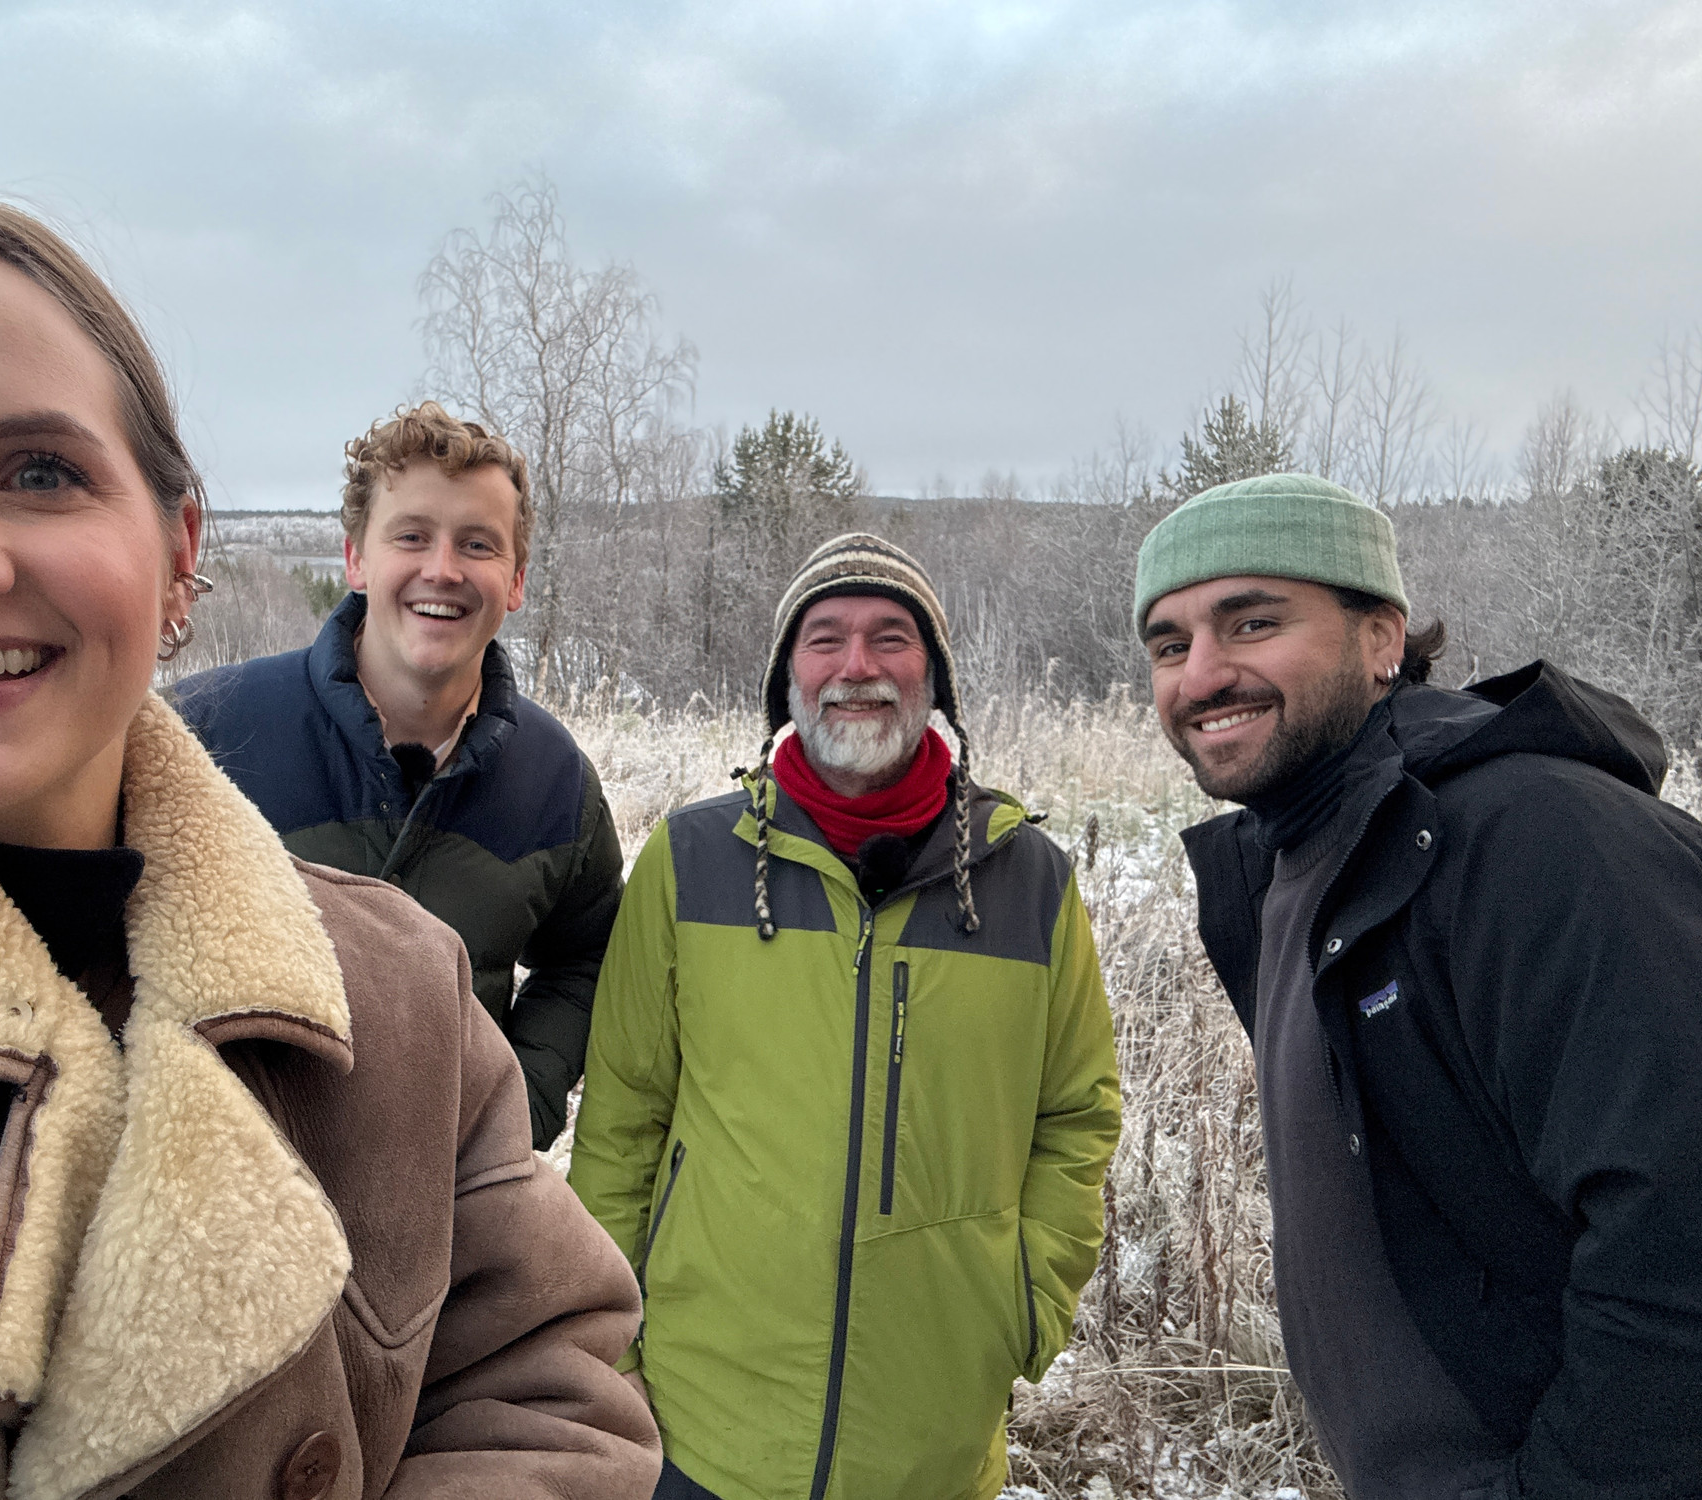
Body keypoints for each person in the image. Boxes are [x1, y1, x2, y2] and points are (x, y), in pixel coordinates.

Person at [0, 194, 658, 1499]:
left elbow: (550, 1379)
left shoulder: (416, 983)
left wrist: (510, 1094)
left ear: (178, 549)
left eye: (37, 469)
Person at [1135, 473, 1702, 1498]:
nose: (1203, 674)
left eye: (1251, 622)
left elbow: (1676, 1229)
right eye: (1169, 645)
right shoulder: (1288, 869)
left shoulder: (1535, 839)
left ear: (1379, 637)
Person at [570, 534, 1121, 1500]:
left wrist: (1024, 1306)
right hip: (701, 1431)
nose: (856, 667)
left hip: (930, 1445)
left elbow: (1076, 1115)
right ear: (787, 678)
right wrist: (605, 1347)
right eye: (824, 639)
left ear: (935, 677)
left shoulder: (1028, 881)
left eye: (891, 638)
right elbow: (623, 1119)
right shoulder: (690, 861)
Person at [173, 402, 622, 1149]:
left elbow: (588, 952)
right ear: (356, 560)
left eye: (477, 544)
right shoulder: (210, 731)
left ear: (515, 580)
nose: (441, 570)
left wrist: (518, 1102)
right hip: (231, 1214)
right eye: (411, 536)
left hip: (450, 1228)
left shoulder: (554, 780)